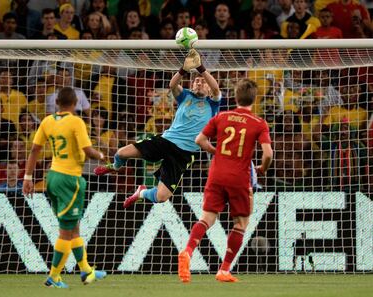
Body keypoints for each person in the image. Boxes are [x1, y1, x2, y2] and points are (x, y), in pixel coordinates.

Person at [93, 49, 221, 208]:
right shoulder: (185, 96)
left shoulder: (213, 103)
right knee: (121, 153)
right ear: (191, 84)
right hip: (166, 141)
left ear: (208, 88)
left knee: (161, 197)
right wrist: (183, 69)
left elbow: (216, 89)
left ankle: (141, 192)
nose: (199, 83)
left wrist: (201, 67)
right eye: (196, 81)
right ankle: (115, 167)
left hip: (184, 154)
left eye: (203, 81)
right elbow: (172, 85)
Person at [178, 78, 273, 283]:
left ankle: (187, 250)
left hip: (216, 174)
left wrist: (217, 152)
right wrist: (262, 168)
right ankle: (224, 269)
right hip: (239, 177)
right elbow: (268, 154)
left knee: (207, 219)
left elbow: (199, 140)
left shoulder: (221, 116)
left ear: (236, 96)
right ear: (253, 99)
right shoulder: (258, 123)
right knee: (241, 223)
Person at [22, 87, 107, 288]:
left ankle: (86, 270)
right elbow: (88, 151)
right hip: (70, 180)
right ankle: (54, 276)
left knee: (73, 227)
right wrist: (102, 156)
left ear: (57, 102)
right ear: (76, 102)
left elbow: (34, 149)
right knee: (66, 232)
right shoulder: (76, 121)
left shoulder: (47, 121)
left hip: (52, 177)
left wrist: (27, 177)